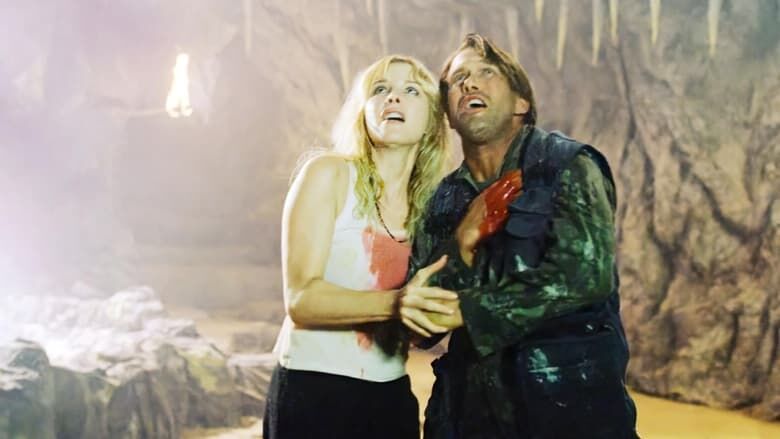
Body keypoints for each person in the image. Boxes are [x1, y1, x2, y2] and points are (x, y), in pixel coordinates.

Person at [408, 33, 639, 438]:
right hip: (468, 418)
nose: (469, 83)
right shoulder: (443, 199)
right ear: (448, 114)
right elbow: (421, 327)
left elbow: (585, 276)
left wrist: (473, 312)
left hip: (568, 413)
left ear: (521, 103)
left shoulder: (567, 165)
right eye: (458, 79)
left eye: (486, 73)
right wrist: (461, 244)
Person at [263, 54, 457, 439]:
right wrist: (397, 304)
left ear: (433, 120)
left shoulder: (433, 210)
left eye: (411, 90)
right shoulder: (329, 175)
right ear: (363, 111)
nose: (393, 97)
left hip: (390, 394)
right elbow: (301, 299)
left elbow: (421, 332)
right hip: (312, 388)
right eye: (380, 89)